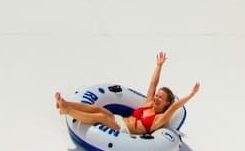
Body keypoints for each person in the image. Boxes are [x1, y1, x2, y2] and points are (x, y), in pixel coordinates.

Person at [55, 52, 200, 135]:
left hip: (124, 131)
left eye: (160, 98)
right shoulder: (149, 104)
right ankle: (66, 103)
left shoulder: (160, 119)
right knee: (97, 109)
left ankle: (67, 111)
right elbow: (152, 84)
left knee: (99, 117)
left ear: (166, 103)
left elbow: (174, 108)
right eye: (157, 95)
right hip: (119, 120)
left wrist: (191, 95)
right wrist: (159, 66)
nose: (156, 98)